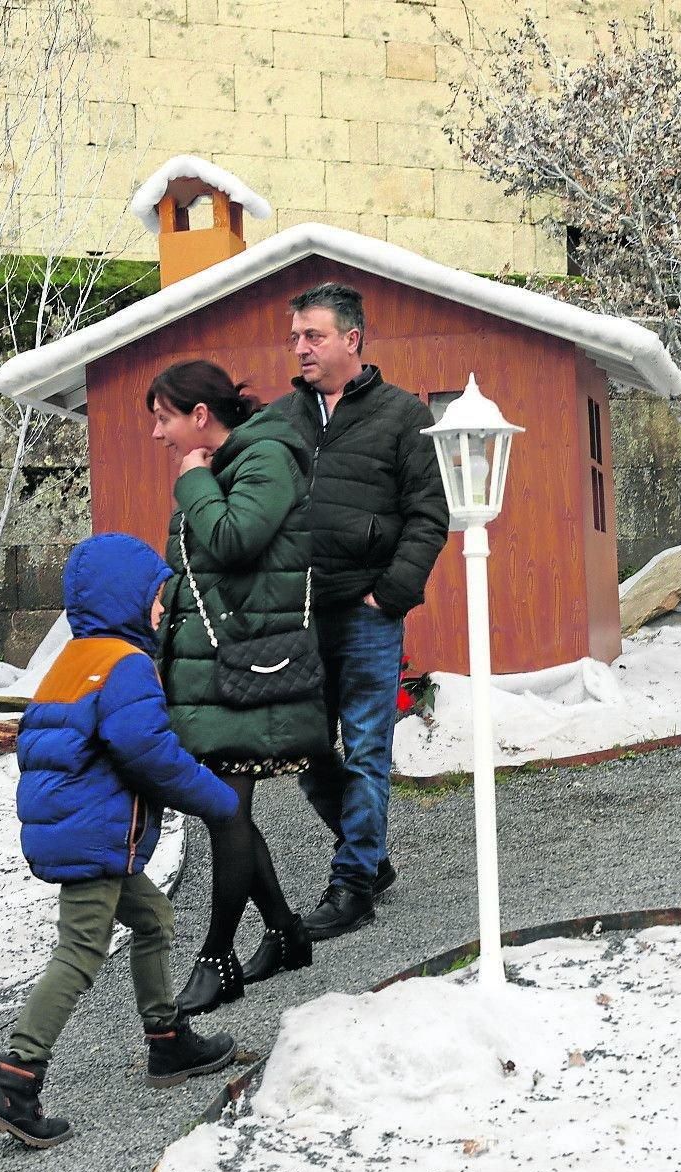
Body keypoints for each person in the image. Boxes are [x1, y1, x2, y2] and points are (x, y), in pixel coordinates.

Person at [0, 533, 243, 1150]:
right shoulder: (124, 665)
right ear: (126, 598)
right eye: (155, 597)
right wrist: (218, 800)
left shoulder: (71, 661)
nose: (162, 608)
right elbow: (150, 754)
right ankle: (15, 1079)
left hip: (78, 827)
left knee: (153, 918)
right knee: (80, 949)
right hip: (96, 835)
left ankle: (167, 1041)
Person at [150, 360, 330, 1015]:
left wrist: (194, 479)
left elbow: (233, 540)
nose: (157, 434)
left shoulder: (264, 460)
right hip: (223, 665)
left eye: (164, 418)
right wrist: (167, 596)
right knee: (222, 806)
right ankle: (284, 931)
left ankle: (217, 957)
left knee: (225, 808)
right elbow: (211, 568)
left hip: (254, 665)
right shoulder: (226, 464)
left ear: (200, 415)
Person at [272, 282, 448, 942]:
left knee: (368, 747)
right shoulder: (280, 420)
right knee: (305, 749)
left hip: (368, 614)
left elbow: (429, 515)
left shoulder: (402, 416)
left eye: (313, 335)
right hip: (299, 616)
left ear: (351, 339)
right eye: (295, 337)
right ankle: (370, 857)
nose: (300, 348)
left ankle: (351, 887)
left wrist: (390, 594)